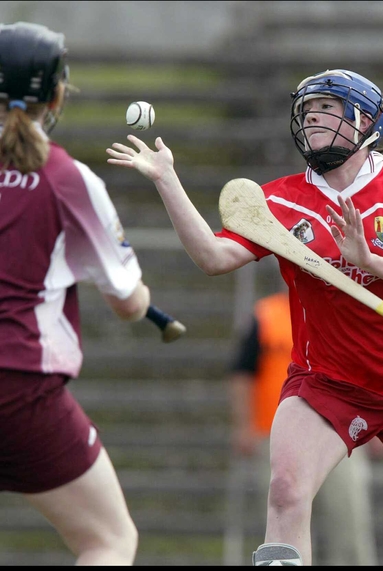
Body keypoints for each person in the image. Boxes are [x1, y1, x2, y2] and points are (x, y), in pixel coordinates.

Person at [106, 69, 383, 566]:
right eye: (307, 110)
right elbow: (214, 258)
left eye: (327, 108)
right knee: (285, 492)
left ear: (365, 122)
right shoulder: (279, 200)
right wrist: (167, 181)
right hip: (326, 380)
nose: (313, 117)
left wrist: (370, 261)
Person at [0, 22, 149, 565]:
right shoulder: (67, 178)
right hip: (17, 386)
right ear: (57, 95)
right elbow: (129, 303)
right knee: (108, 540)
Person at [227, 290, 378, 566]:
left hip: (339, 434)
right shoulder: (266, 315)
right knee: (282, 526)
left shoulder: (345, 309)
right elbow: (242, 373)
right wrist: (243, 426)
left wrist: (375, 429)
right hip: (274, 437)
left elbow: (370, 370)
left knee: (348, 521)